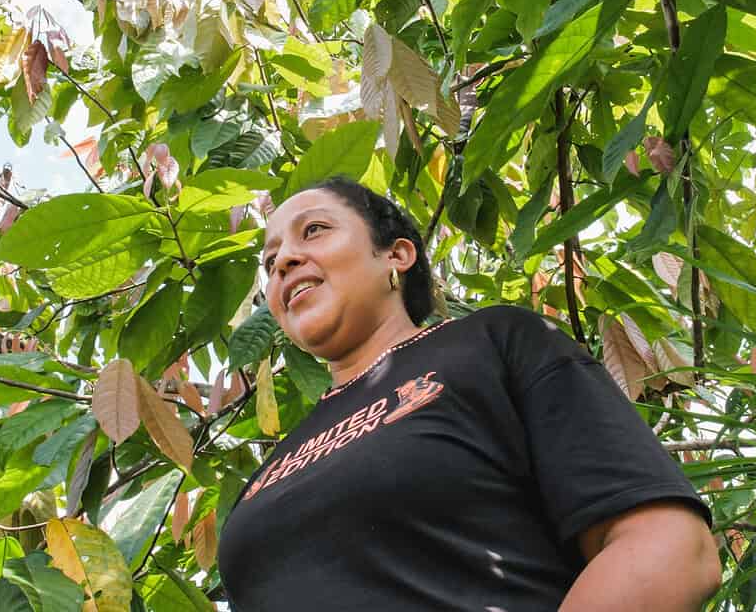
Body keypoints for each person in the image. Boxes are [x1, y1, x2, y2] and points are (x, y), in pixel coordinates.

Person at [217, 176, 720, 611]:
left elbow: (669, 547)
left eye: (314, 230)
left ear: (397, 254)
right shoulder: (268, 472)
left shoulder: (495, 344)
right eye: (270, 259)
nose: (284, 261)